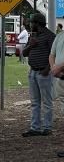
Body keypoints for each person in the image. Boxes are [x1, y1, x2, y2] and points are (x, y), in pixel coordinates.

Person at [22, 12, 55, 137]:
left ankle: (47, 127)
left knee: (47, 101)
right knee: (35, 102)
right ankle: (34, 127)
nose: (30, 25)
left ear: (37, 23)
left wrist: (47, 69)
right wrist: (31, 45)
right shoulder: (32, 37)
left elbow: (54, 54)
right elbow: (24, 53)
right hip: (32, 71)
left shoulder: (50, 36)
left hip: (44, 72)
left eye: (32, 23)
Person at [49, 22, 64, 157]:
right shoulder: (59, 37)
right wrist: (54, 68)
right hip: (60, 80)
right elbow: (51, 54)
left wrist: (59, 67)